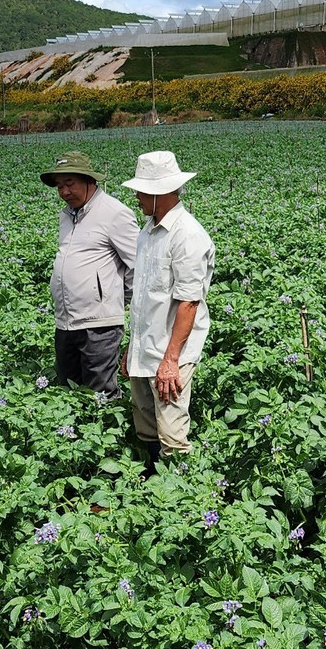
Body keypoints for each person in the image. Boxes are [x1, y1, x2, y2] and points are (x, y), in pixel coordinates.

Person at [119, 150, 213, 475]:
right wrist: (132, 346)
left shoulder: (187, 235)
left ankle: (180, 498)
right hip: (145, 347)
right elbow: (145, 295)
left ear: (160, 193)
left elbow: (189, 303)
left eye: (141, 191)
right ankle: (151, 483)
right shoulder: (147, 231)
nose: (136, 197)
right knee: (144, 420)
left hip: (171, 352)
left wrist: (171, 360)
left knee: (171, 430)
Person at [38, 150, 139, 400]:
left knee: (100, 391)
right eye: (60, 186)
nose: (64, 192)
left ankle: (104, 434)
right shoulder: (66, 215)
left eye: (69, 184)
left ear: (89, 180)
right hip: (66, 321)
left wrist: (114, 299)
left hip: (99, 324)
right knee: (68, 389)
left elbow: (138, 266)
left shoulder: (114, 213)